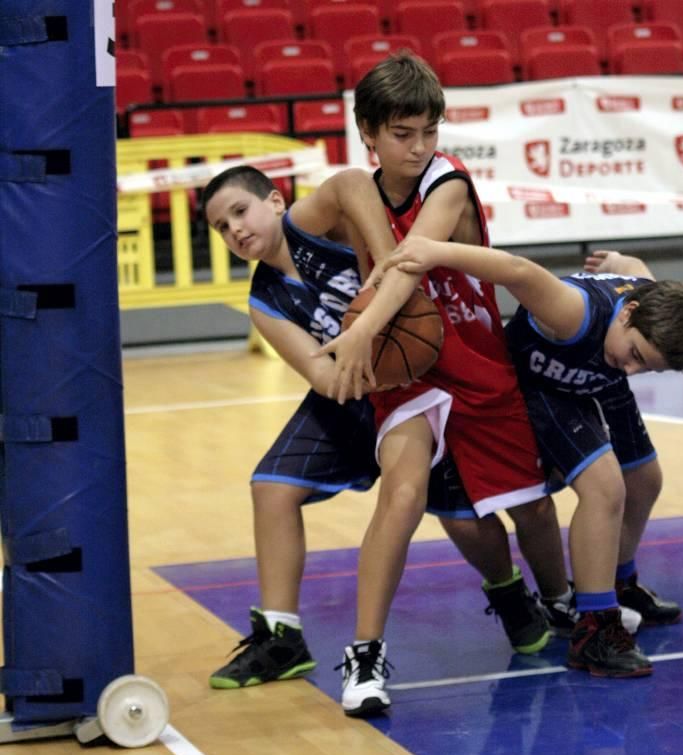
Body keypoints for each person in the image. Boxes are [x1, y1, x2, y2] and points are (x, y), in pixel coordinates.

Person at [200, 164, 561, 693]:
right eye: (221, 227)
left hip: (423, 375)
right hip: (358, 391)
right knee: (271, 488)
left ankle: (508, 591)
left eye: (240, 211)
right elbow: (323, 377)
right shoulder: (264, 301)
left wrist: (383, 259)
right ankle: (281, 638)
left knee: (461, 519)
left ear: (275, 202)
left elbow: (349, 182)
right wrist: (369, 354)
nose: (235, 230)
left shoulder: (307, 224)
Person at [315, 52, 569, 717]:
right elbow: (299, 243)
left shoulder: (447, 179)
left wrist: (359, 332)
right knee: (402, 496)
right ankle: (365, 654)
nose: (419, 146)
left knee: (533, 509)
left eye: (429, 130)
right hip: (407, 371)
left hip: (477, 358)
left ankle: (563, 598)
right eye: (403, 134)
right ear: (368, 132)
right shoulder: (357, 192)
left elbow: (406, 265)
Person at [373, 235, 683, 678]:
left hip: (591, 375)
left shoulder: (642, 303)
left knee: (645, 479)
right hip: (539, 384)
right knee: (604, 487)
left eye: (647, 367)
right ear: (627, 313)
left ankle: (619, 584)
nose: (633, 370)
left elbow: (634, 267)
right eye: (636, 356)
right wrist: (436, 252)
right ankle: (595, 627)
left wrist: (613, 259)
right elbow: (517, 271)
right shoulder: (572, 311)